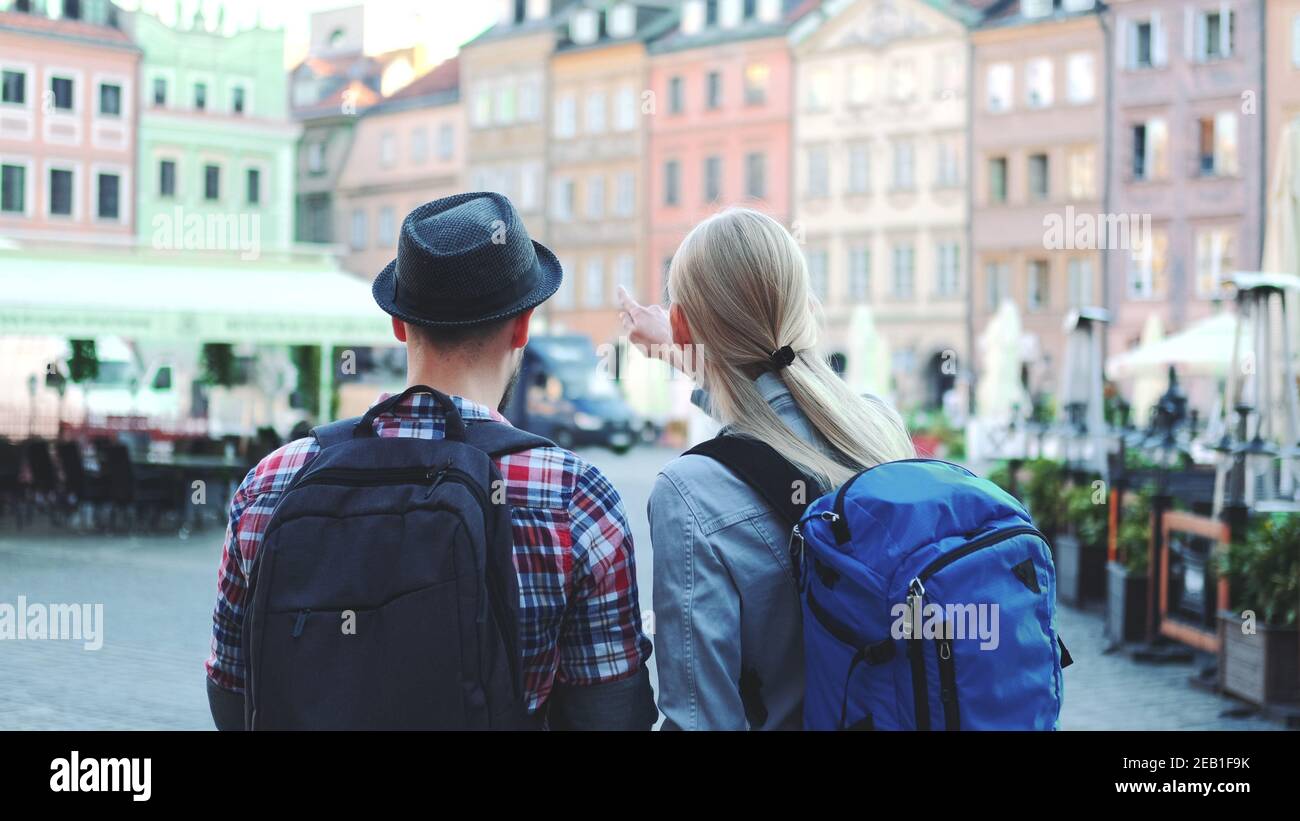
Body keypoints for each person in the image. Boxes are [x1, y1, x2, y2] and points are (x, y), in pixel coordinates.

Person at [206, 192, 656, 730]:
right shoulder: (573, 497)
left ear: (399, 325)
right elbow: (609, 715)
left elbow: (231, 693)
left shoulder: (272, 482)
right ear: (522, 327)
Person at [620, 208, 913, 730]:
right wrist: (695, 348)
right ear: (803, 307)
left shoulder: (689, 493)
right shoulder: (877, 425)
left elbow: (701, 720)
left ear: (682, 325)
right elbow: (778, 411)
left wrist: (693, 344)